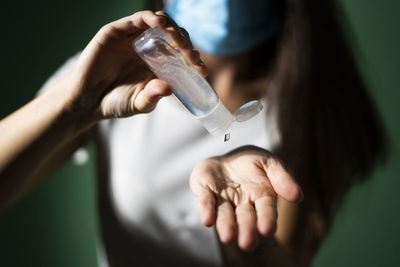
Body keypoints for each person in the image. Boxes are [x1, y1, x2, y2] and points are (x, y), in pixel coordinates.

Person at [0, 0, 386, 267]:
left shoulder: (312, 107)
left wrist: (243, 246)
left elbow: (287, 261)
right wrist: (74, 105)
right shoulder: (110, 81)